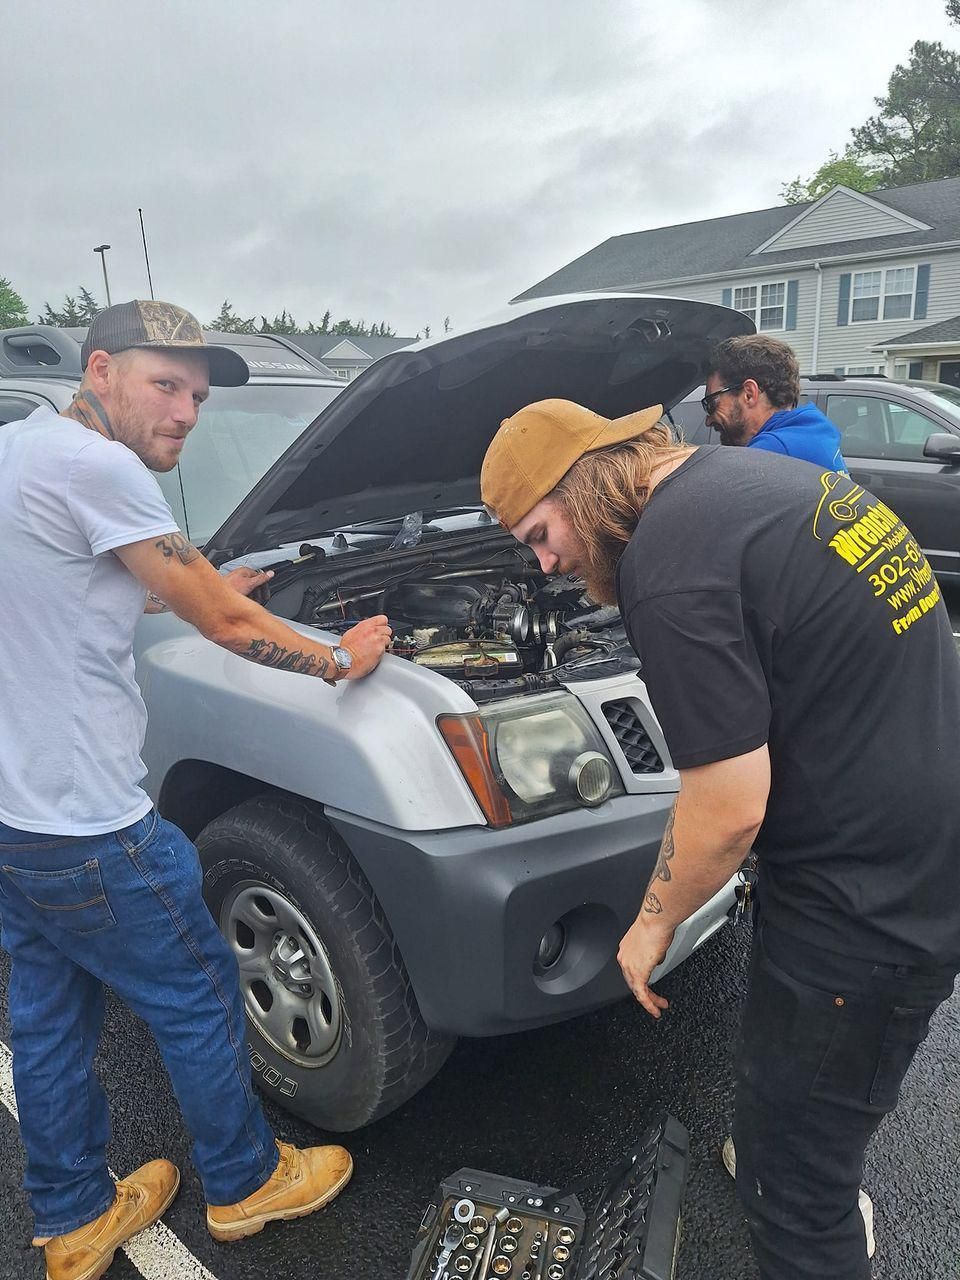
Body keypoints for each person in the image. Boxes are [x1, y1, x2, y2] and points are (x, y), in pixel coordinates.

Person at [480, 397, 960, 1280]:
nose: (544, 563)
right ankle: (805, 1143)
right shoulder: (760, 480)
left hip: (866, 910)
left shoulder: (668, 561)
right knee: (810, 1090)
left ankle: (804, 1181)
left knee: (794, 1200)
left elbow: (729, 803)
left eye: (540, 532)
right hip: (920, 831)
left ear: (580, 486)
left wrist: (651, 924)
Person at [0, 301, 392, 1280]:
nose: (185, 410)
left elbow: (75, 576)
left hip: (16, 816)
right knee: (198, 989)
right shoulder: (104, 468)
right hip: (94, 821)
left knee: (48, 1018)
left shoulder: (20, 450)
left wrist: (203, 576)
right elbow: (220, 623)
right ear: (100, 370)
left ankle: (74, 1216)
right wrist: (342, 655)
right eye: (163, 383)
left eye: (199, 395)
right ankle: (245, 1177)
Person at [703, 333, 848, 472]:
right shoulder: (814, 432)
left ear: (749, 394)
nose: (708, 421)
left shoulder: (772, 452)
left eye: (711, 403)